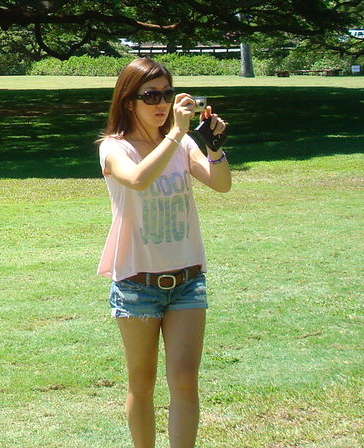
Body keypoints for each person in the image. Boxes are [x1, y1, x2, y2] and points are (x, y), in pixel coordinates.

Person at [97, 57, 231, 448]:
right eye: (150, 95)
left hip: (188, 279)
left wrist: (215, 148)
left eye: (167, 94)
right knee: (142, 382)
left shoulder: (183, 142)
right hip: (137, 284)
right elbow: (137, 180)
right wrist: (174, 133)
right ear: (128, 101)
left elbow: (220, 185)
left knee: (185, 380)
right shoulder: (114, 148)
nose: (161, 103)